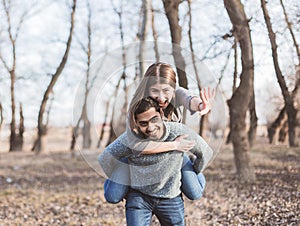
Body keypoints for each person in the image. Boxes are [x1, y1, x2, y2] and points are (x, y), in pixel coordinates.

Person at [104, 62, 215, 203]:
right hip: (139, 158)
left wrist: (200, 105)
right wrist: (174, 145)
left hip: (172, 157)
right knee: (112, 196)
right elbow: (136, 145)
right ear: (146, 88)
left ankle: (191, 164)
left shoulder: (176, 94)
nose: (161, 97)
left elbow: (189, 98)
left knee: (195, 192)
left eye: (166, 91)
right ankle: (119, 170)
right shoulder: (137, 105)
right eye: (155, 91)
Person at [98, 97, 213, 226]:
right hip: (139, 197)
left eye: (154, 119)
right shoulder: (130, 139)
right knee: (113, 195)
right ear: (136, 123)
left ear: (161, 114)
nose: (150, 127)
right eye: (143, 123)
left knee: (194, 192)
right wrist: (121, 181)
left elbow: (206, 152)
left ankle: (188, 164)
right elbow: (104, 159)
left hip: (170, 196)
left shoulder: (178, 131)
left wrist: (194, 170)